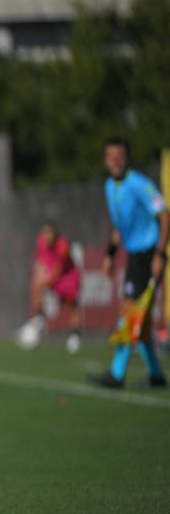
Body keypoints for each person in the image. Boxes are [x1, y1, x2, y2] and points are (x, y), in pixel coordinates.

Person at [90, 138, 169, 388]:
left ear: (127, 159)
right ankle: (156, 375)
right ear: (105, 160)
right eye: (111, 156)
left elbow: (165, 215)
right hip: (134, 255)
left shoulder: (139, 184)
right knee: (140, 319)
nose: (115, 161)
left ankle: (117, 373)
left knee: (128, 313)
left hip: (148, 254)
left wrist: (160, 254)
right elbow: (120, 226)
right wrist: (110, 254)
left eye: (120, 156)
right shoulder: (109, 187)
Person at [19, 222, 82, 354]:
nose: (46, 236)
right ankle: (40, 317)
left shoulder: (62, 245)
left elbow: (59, 269)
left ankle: (74, 336)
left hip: (67, 276)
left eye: (49, 233)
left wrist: (46, 281)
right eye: (45, 233)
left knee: (70, 304)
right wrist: (39, 274)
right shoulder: (40, 241)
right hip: (51, 274)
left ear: (55, 234)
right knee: (36, 286)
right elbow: (39, 260)